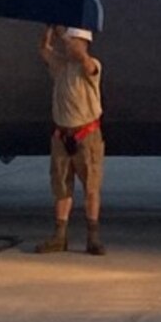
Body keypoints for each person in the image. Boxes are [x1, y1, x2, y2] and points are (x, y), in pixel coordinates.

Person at [38, 24, 104, 255]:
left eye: (75, 41)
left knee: (91, 187)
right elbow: (44, 50)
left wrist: (68, 40)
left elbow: (84, 60)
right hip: (62, 134)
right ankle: (60, 235)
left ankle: (92, 236)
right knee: (61, 187)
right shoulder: (60, 66)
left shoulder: (91, 65)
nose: (70, 46)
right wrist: (50, 29)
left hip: (86, 135)